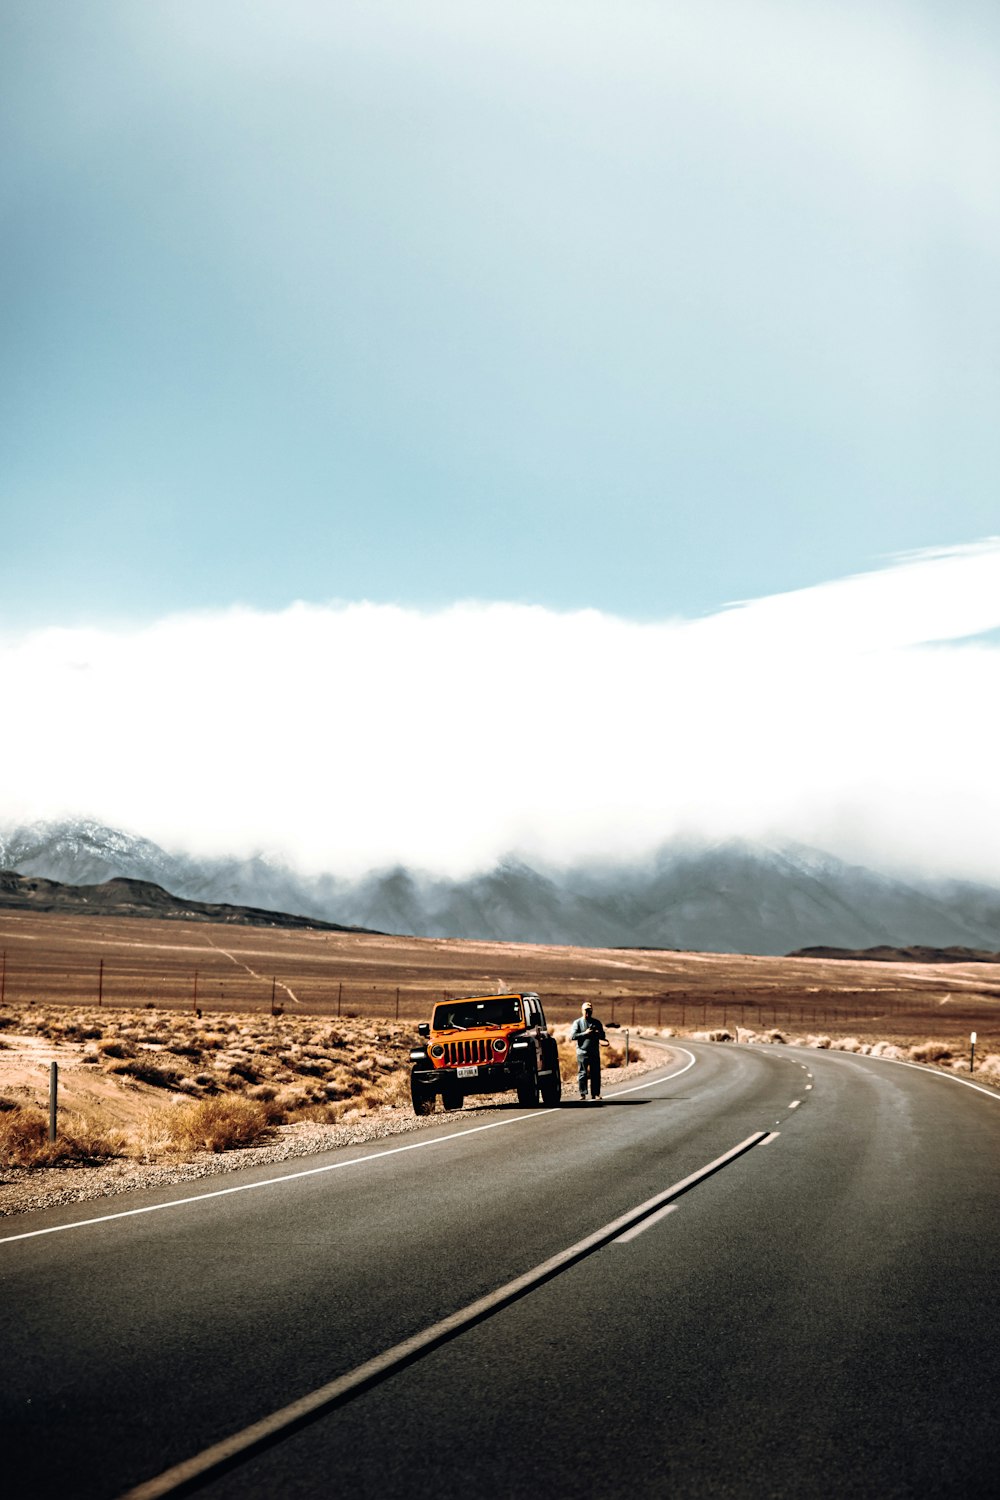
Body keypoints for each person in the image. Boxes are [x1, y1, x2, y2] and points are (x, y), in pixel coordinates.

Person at [569, 1001, 607, 1101]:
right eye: (586, 1011)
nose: (587, 1013)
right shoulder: (577, 1023)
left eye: (589, 1011)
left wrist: (598, 1033)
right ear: (582, 1011)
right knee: (582, 1074)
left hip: (594, 1052)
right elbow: (572, 1036)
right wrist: (585, 1033)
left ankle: (596, 1093)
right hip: (582, 1052)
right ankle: (583, 1094)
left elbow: (603, 1036)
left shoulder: (597, 1023)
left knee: (595, 1074)